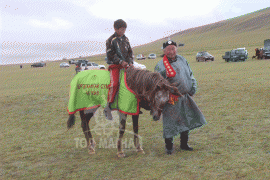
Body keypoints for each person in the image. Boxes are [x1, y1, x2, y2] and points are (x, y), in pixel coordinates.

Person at [154, 40, 207, 155]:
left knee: (186, 119)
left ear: (176, 49)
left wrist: (193, 87)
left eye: (173, 48)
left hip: (185, 96)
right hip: (171, 99)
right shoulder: (160, 65)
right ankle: (169, 147)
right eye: (168, 49)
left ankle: (184, 144)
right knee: (170, 122)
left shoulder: (182, 59)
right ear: (164, 51)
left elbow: (190, 74)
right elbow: (157, 84)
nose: (171, 51)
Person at [104, 19, 133, 120]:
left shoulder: (126, 39)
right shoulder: (110, 40)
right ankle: (108, 106)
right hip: (115, 66)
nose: (123, 31)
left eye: (124, 29)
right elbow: (110, 55)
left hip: (126, 65)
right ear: (115, 29)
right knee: (114, 84)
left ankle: (133, 104)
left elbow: (130, 52)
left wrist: (130, 62)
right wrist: (121, 62)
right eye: (121, 29)